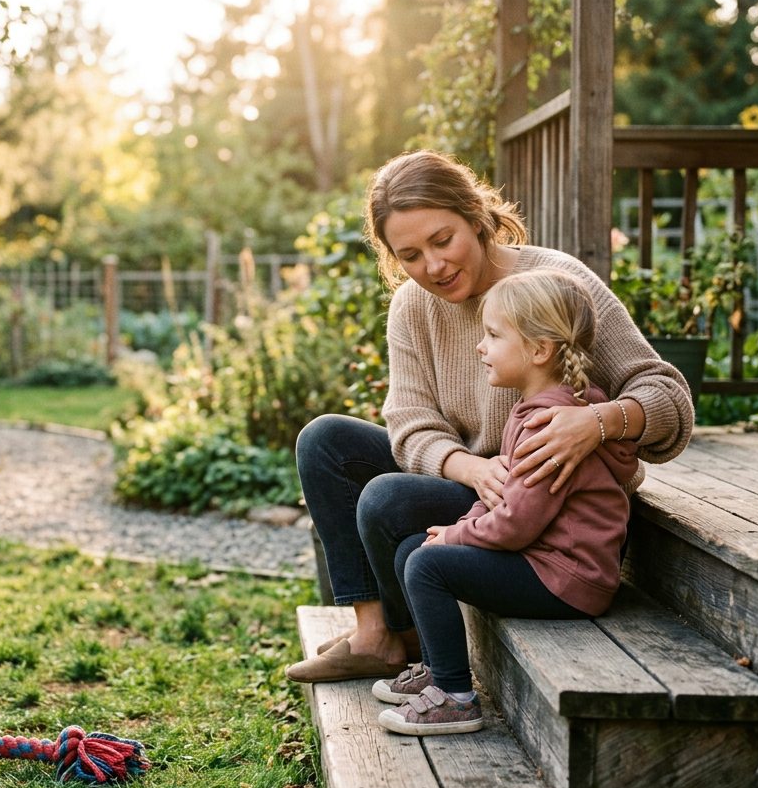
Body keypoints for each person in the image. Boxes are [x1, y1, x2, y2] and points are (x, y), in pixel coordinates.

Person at [285, 149, 693, 687]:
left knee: (386, 500)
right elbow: (409, 422)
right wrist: (470, 469)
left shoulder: (555, 283)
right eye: (409, 254)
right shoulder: (412, 305)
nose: (432, 266)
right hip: (483, 482)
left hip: (546, 492)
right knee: (325, 441)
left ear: (476, 218)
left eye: (442, 240)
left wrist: (594, 423)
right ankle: (375, 637)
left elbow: (669, 397)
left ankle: (413, 639)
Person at [377, 269, 637, 734]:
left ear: (539, 350)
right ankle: (438, 673)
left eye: (493, 335)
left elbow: (516, 523)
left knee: (425, 565)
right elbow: (499, 496)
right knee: (413, 550)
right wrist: (454, 528)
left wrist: (455, 536)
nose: (481, 347)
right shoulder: (534, 411)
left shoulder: (550, 427)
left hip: (568, 578)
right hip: (542, 562)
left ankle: (456, 699)